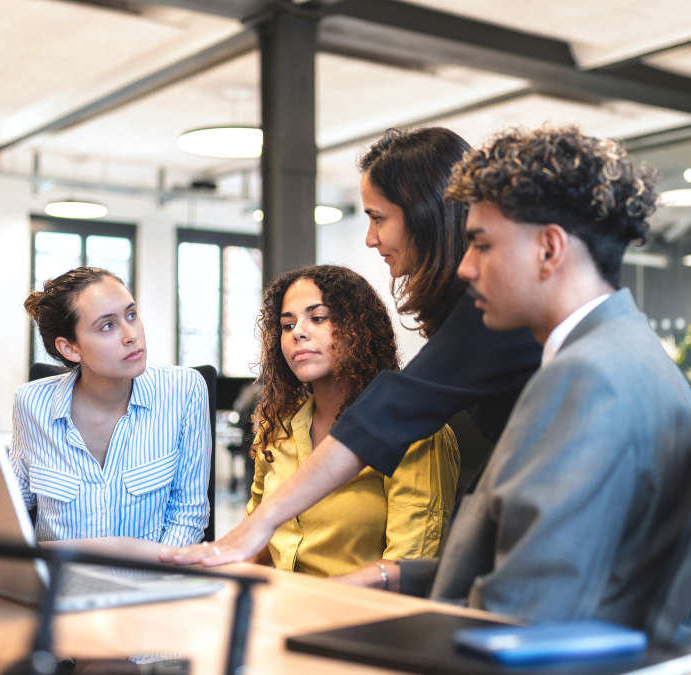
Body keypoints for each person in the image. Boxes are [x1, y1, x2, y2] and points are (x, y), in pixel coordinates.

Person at [162, 127, 541, 572]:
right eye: (287, 324)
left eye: (378, 217)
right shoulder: (281, 425)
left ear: (424, 215)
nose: (369, 238)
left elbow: (389, 413)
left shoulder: (487, 317)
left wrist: (261, 526)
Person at [395, 125, 691, 626]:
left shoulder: (586, 378)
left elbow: (520, 607)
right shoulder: (626, 351)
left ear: (548, 249)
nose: (465, 268)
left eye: (481, 245)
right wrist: (394, 578)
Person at [248, 264, 458, 584]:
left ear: (358, 328)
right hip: (280, 607)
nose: (297, 333)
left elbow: (410, 566)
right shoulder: (277, 429)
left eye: (318, 318)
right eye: (287, 325)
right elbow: (254, 541)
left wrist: (315, 599)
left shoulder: (413, 432)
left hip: (364, 618)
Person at [13, 266, 209, 560]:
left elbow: (188, 514)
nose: (131, 335)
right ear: (70, 348)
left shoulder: (184, 391)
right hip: (58, 587)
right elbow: (14, 501)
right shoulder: (31, 403)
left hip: (149, 585)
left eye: (131, 315)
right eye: (107, 326)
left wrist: (155, 581)